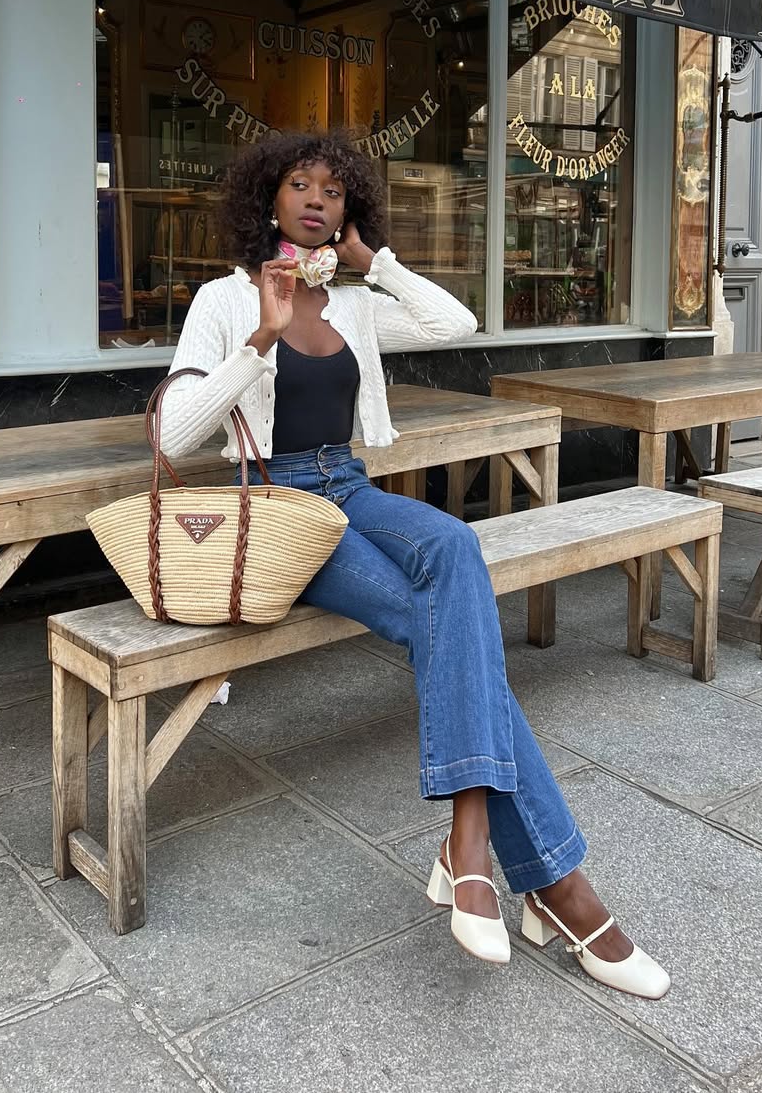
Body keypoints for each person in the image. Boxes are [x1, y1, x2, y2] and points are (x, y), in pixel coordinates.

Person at [158, 131, 669, 998]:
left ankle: (469, 841)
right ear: (268, 197)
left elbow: (455, 322)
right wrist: (259, 341)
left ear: (348, 209)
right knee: (453, 631)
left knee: (456, 545)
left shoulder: (352, 300)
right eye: (299, 184)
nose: (315, 199)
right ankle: (558, 885)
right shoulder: (224, 298)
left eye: (333, 190)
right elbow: (175, 436)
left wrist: (376, 263)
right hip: (280, 506)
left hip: (350, 485)